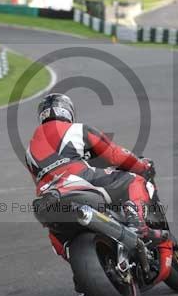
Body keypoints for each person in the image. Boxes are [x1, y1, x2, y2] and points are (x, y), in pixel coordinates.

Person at [26, 93, 156, 238]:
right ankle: (137, 224)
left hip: (47, 198)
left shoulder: (29, 149)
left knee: (54, 234)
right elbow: (115, 155)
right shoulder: (76, 129)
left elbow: (39, 181)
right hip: (78, 178)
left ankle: (68, 249)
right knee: (134, 180)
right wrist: (141, 166)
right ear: (68, 111)